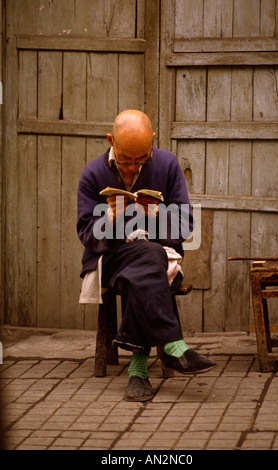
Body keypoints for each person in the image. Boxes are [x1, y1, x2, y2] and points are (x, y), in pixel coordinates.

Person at [77, 109, 215, 402]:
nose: (131, 168)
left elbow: (185, 224)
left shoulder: (166, 164)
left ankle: (138, 373)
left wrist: (150, 214)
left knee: (144, 264)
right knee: (145, 260)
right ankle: (173, 345)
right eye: (126, 159)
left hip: (155, 257)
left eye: (141, 159)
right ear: (110, 140)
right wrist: (111, 219)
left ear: (152, 141)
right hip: (113, 258)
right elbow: (87, 235)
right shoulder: (92, 173)